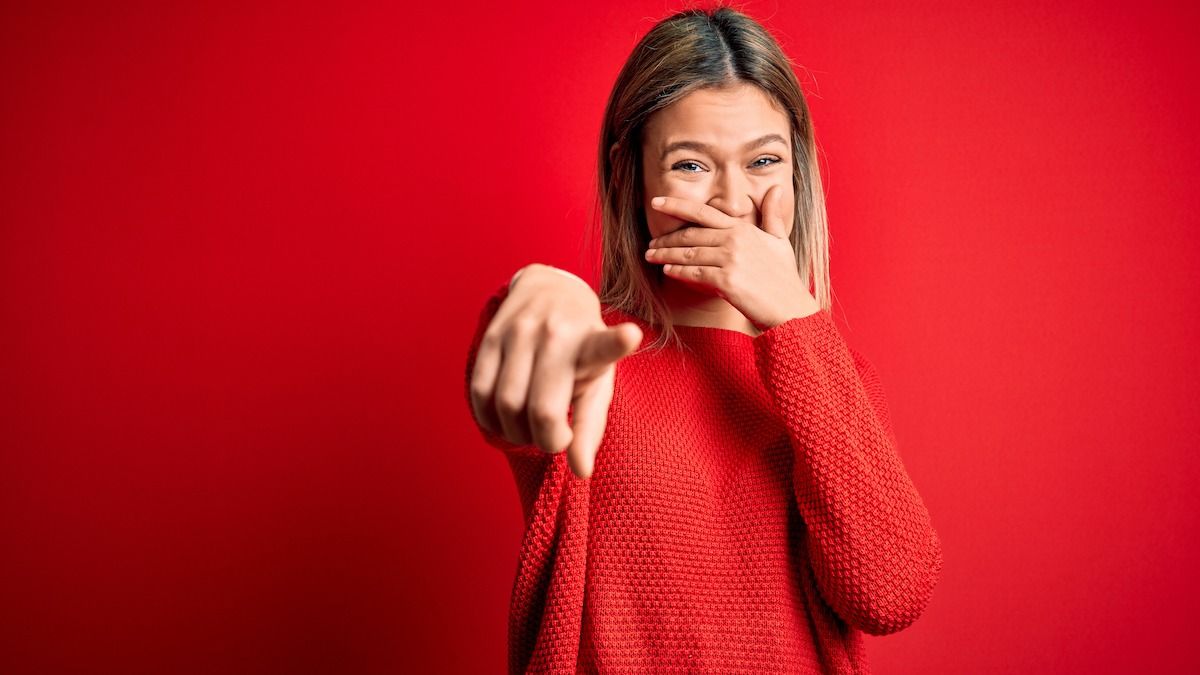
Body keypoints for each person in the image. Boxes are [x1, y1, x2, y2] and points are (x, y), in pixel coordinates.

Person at [465, 6, 942, 673]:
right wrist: (546, 291)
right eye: (691, 165)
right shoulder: (594, 357)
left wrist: (794, 319)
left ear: (798, 173)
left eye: (764, 160)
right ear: (631, 178)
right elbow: (518, 373)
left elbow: (890, 590)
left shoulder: (833, 374)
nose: (733, 200)